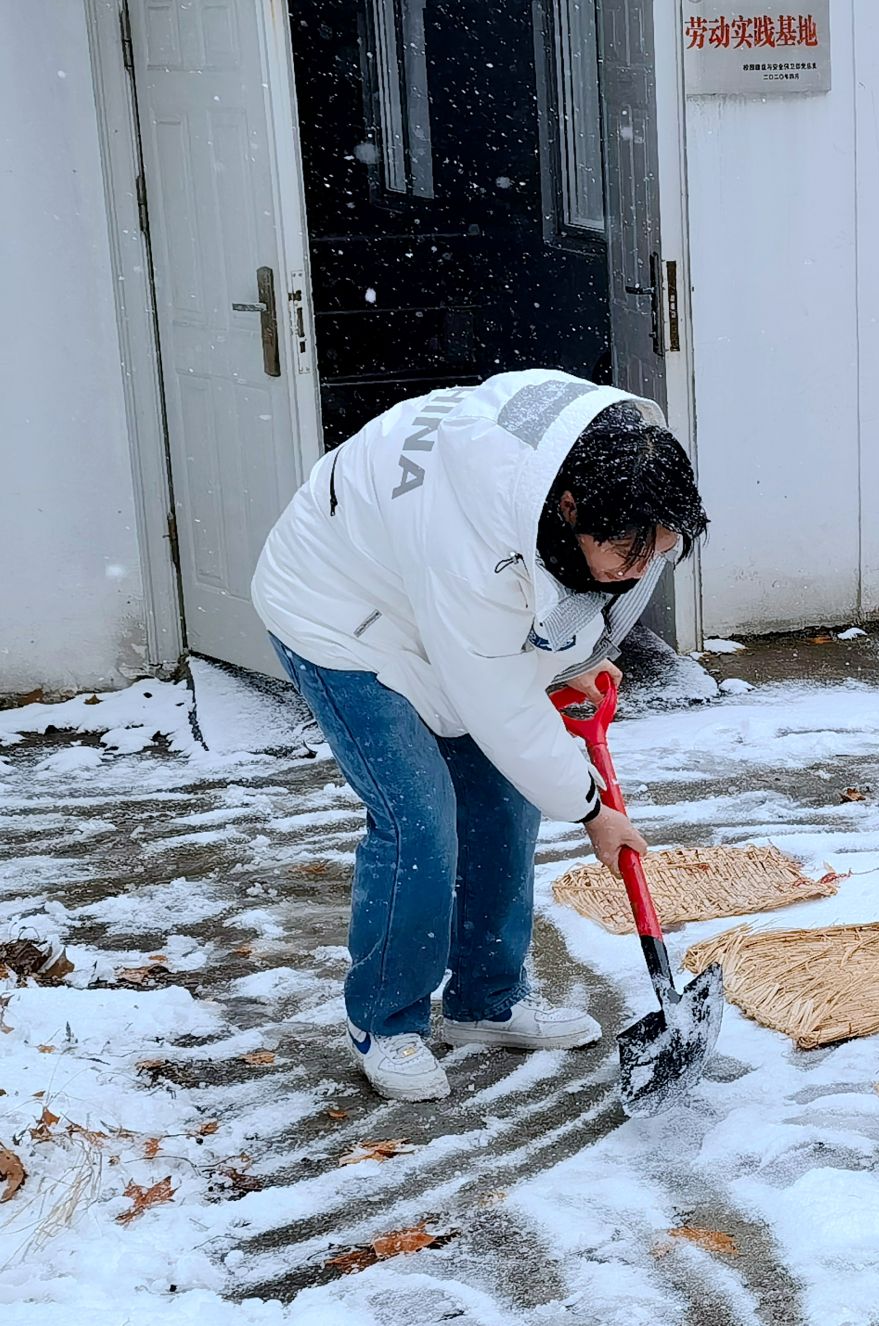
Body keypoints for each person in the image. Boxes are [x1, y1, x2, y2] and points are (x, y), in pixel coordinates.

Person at [253, 371, 707, 1102]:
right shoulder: (471, 543)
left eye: (659, 548)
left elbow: (547, 599)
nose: (642, 567)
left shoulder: (593, 467)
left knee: (505, 799)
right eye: (631, 550)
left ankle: (486, 1001)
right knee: (419, 820)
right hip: (340, 615)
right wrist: (594, 810)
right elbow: (501, 698)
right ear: (571, 508)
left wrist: (571, 661)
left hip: (428, 594)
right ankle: (386, 1021)